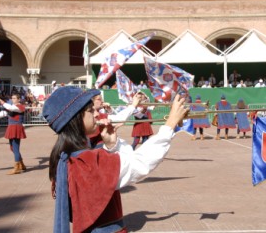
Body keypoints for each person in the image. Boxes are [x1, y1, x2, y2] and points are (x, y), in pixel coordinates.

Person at [42, 86, 188, 233]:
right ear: (76, 118)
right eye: (91, 110)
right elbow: (137, 164)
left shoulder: (71, 156)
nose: (96, 114)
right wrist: (170, 125)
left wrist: (111, 146)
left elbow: (107, 175)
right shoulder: (85, 162)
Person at [0, 93, 27, 174]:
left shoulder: (20, 107)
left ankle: (17, 167)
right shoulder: (12, 107)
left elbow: (10, 107)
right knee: (12, 148)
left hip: (16, 127)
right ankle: (21, 164)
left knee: (15, 148)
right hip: (11, 127)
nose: (13, 99)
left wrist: (1, 101)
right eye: (12, 98)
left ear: (19, 99)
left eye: (15, 98)